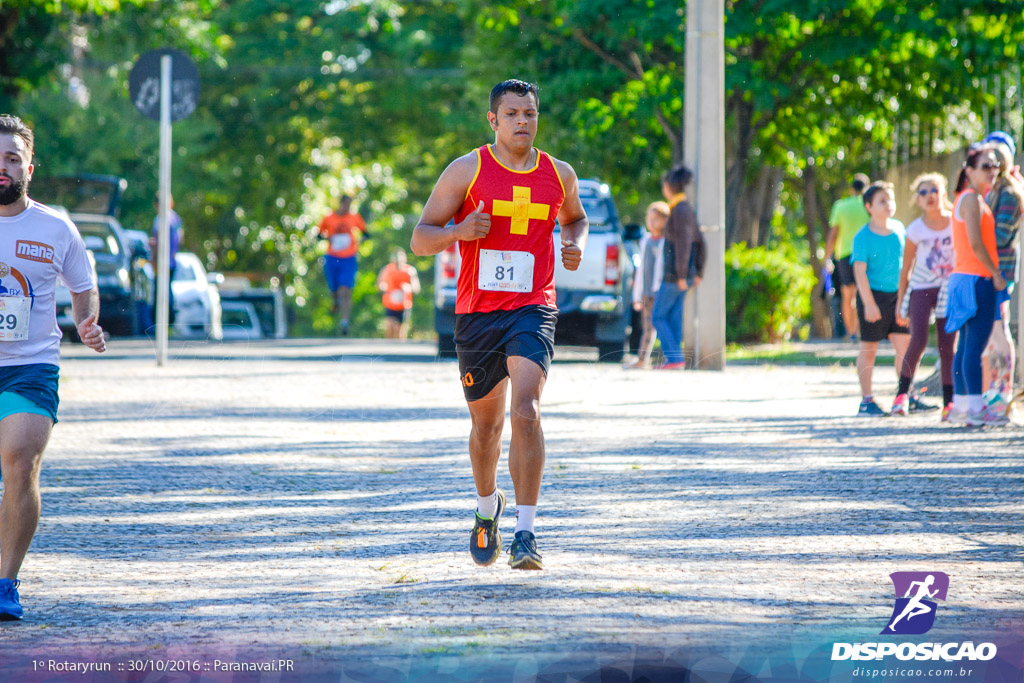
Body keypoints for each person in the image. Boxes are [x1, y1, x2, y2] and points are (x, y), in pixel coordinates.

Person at [410, 79, 588, 570]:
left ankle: (526, 534)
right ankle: (488, 509)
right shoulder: (467, 171)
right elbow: (419, 240)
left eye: (529, 113)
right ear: (493, 120)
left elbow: (575, 220)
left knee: (526, 411)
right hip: (477, 313)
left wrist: (576, 246)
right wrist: (458, 231)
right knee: (485, 428)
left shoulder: (558, 173)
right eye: (511, 114)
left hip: (533, 305)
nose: (522, 122)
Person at [0, 115, 106, 620]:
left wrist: (87, 323)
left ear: (29, 168)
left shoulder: (54, 227)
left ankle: (5, 582)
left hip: (30, 366)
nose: (2, 167)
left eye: (12, 158)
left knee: (20, 461)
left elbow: (83, 286)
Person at [945, 147, 1010, 425]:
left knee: (965, 348)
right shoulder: (971, 199)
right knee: (974, 348)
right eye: (986, 165)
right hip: (976, 279)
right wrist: (995, 273)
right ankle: (974, 408)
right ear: (969, 170)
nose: (992, 170)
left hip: (965, 278)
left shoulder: (969, 198)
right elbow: (975, 243)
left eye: (995, 165)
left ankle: (962, 406)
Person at [893, 173, 955, 418]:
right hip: (921, 288)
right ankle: (901, 396)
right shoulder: (915, 229)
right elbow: (906, 267)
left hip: (948, 288)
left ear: (943, 195)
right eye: (923, 192)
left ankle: (949, 403)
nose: (929, 196)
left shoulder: (955, 223)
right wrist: (901, 302)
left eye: (934, 190)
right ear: (917, 200)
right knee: (917, 340)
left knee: (947, 345)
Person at [851, 181, 910, 417]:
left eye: (890, 199)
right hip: (873, 295)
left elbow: (907, 264)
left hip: (899, 296)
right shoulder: (862, 236)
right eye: (882, 201)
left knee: (904, 347)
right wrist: (868, 303)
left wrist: (906, 297)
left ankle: (905, 395)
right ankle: (867, 400)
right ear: (869, 207)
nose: (888, 205)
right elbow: (859, 272)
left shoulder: (899, 229)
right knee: (869, 349)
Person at [979, 134, 1023, 411]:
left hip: (1000, 271)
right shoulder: (994, 191)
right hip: (991, 270)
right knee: (992, 332)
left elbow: (1001, 236)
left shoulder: (1008, 193)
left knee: (1000, 330)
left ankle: (1003, 391)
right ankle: (994, 390)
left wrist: (974, 244)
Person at [651, 166, 702, 370]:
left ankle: (675, 358)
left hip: (675, 275)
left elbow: (683, 244)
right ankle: (674, 359)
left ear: (669, 187)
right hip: (682, 274)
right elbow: (698, 241)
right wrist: (695, 270)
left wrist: (682, 274)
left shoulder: (679, 210)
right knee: (672, 316)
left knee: (658, 316)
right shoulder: (683, 208)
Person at [826, 173, 872, 342]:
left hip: (845, 254)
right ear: (866, 188)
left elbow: (833, 233)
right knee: (865, 292)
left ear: (852, 189)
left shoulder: (841, 206)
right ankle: (862, 331)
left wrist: (827, 256)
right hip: (867, 254)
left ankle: (851, 333)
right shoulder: (870, 206)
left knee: (848, 294)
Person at [629, 201, 669, 369]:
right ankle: (642, 359)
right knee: (647, 327)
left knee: (661, 324)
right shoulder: (645, 241)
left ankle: (670, 358)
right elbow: (641, 271)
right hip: (646, 293)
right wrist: (636, 295)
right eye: (649, 218)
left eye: (656, 219)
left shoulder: (666, 241)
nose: (652, 222)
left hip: (660, 292)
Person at [319, 195, 366, 336]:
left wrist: (359, 241)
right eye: (346, 204)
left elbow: (366, 233)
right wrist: (329, 237)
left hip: (349, 258)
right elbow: (318, 235)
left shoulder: (354, 217)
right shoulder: (329, 218)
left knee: (346, 290)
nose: (347, 208)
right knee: (334, 289)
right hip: (332, 257)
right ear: (340, 204)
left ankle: (344, 322)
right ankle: (335, 301)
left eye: (350, 205)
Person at [150, 194, 183, 328]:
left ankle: (162, 322)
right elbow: (180, 239)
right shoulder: (175, 218)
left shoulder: (160, 219)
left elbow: (158, 241)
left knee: (160, 291)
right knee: (168, 289)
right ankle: (169, 322)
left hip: (162, 261)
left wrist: (153, 257)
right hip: (172, 260)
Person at [376, 248, 420, 339]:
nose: (398, 264)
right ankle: (389, 349)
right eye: (396, 261)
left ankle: (400, 350)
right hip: (390, 304)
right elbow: (378, 284)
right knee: (390, 326)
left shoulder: (410, 271)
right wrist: (382, 287)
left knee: (400, 330)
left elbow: (416, 288)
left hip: (404, 305)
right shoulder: (386, 269)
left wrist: (408, 287)